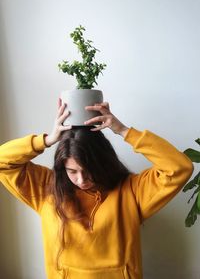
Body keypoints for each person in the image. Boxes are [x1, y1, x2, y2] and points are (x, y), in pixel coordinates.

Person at [0, 101, 193, 279]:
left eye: (88, 170)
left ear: (102, 163)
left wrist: (124, 131)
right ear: (62, 168)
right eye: (72, 171)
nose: (81, 179)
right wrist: (47, 140)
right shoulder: (45, 188)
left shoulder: (131, 191)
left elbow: (179, 168)